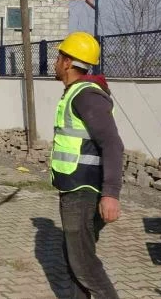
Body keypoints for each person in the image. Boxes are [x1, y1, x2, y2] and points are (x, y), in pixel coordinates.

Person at [51, 31, 124, 299]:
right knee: (75, 258)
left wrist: (110, 195)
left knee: (83, 263)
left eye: (59, 57)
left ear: (68, 62)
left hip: (84, 191)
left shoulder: (86, 96)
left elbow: (113, 145)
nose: (55, 62)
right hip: (74, 188)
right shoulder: (75, 93)